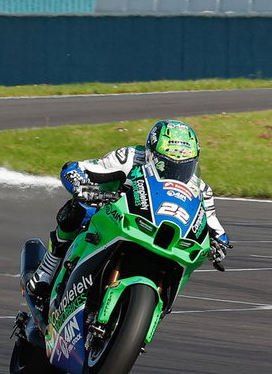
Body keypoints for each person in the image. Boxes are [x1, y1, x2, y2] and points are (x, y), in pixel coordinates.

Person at [23, 119, 231, 302]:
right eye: (166, 164)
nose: (173, 171)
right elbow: (77, 168)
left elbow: (212, 223)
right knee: (78, 210)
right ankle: (47, 269)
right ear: (151, 153)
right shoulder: (129, 157)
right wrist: (82, 185)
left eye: (183, 167)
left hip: (155, 230)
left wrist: (220, 242)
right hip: (111, 216)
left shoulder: (201, 188)